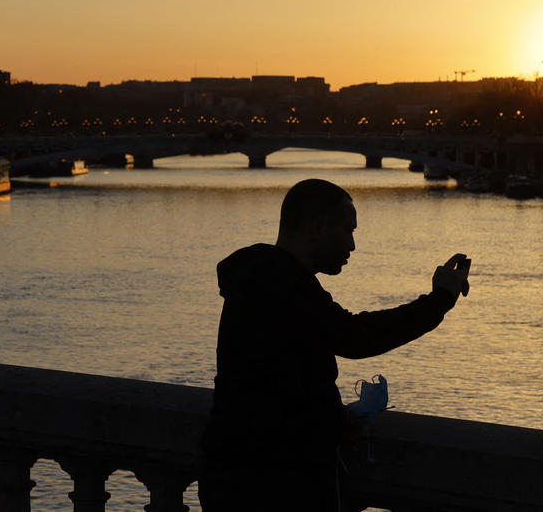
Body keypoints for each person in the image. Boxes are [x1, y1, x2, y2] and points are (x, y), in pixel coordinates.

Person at [199, 178, 470, 511]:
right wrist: (440, 299)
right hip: (272, 481)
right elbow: (354, 336)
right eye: (347, 230)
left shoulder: (261, 279)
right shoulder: (281, 284)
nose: (353, 245)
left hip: (239, 472)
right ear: (318, 227)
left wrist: (333, 419)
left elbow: (275, 384)